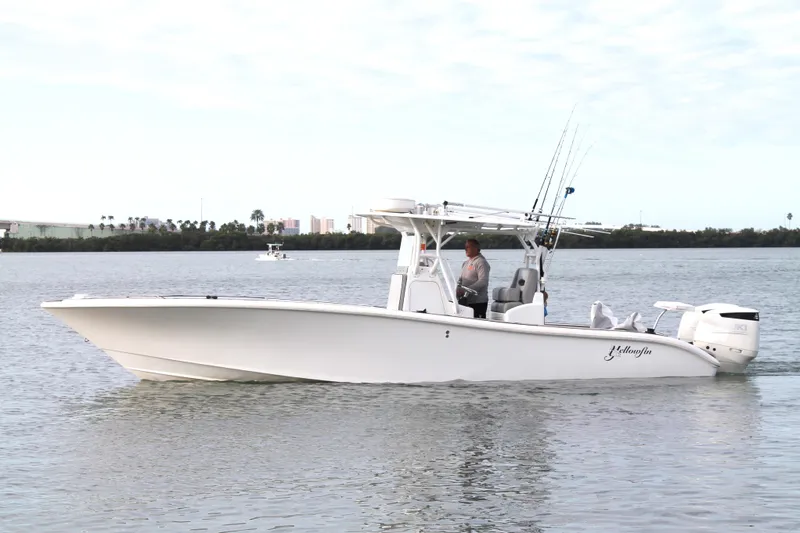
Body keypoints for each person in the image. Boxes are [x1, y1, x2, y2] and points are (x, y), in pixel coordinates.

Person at [457, 238, 491, 318]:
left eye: (468, 247)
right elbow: (460, 280)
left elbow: (483, 281)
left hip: (478, 302)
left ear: (476, 248)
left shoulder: (481, 262)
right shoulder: (465, 263)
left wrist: (466, 290)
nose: (466, 249)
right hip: (465, 301)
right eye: (465, 247)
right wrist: (458, 289)